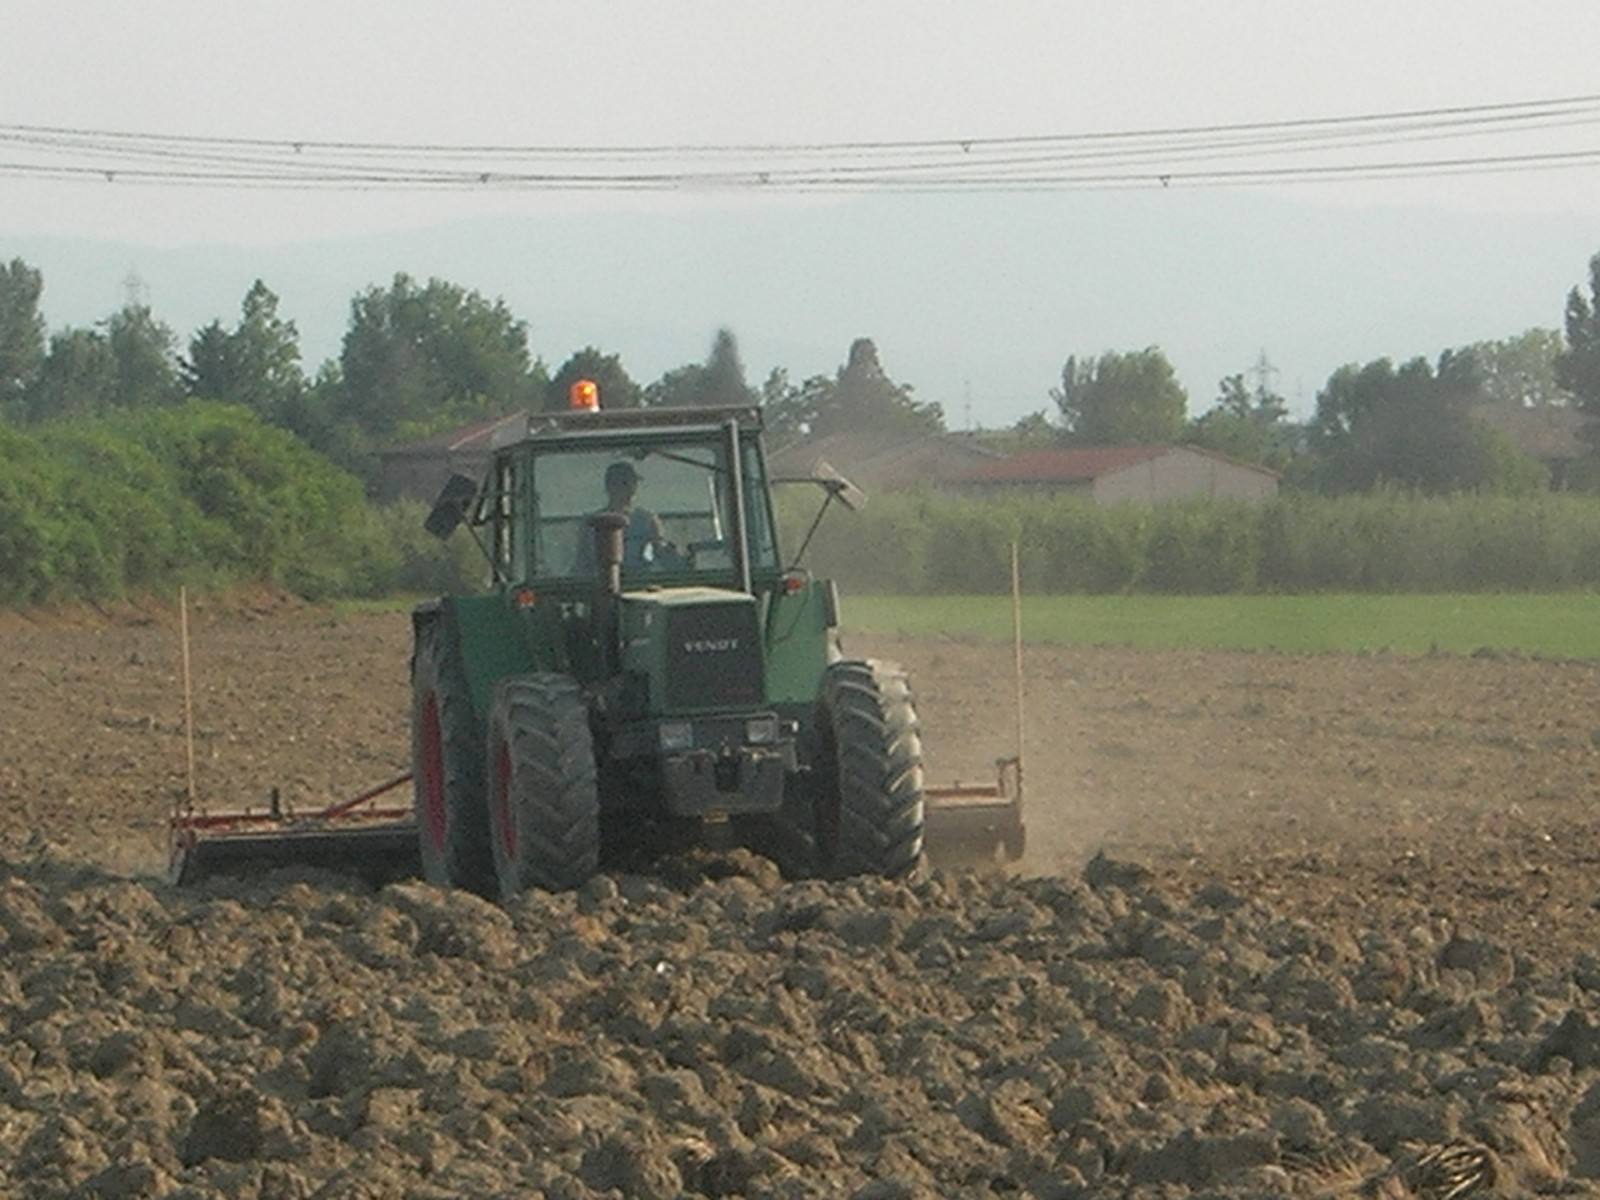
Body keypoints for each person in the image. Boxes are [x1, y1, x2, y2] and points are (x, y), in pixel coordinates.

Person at [576, 460, 675, 572]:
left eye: (633, 484)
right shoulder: (591, 523)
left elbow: (663, 556)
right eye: (625, 484)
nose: (632, 489)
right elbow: (582, 564)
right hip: (599, 584)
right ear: (610, 486)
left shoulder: (648, 520)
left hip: (638, 584)